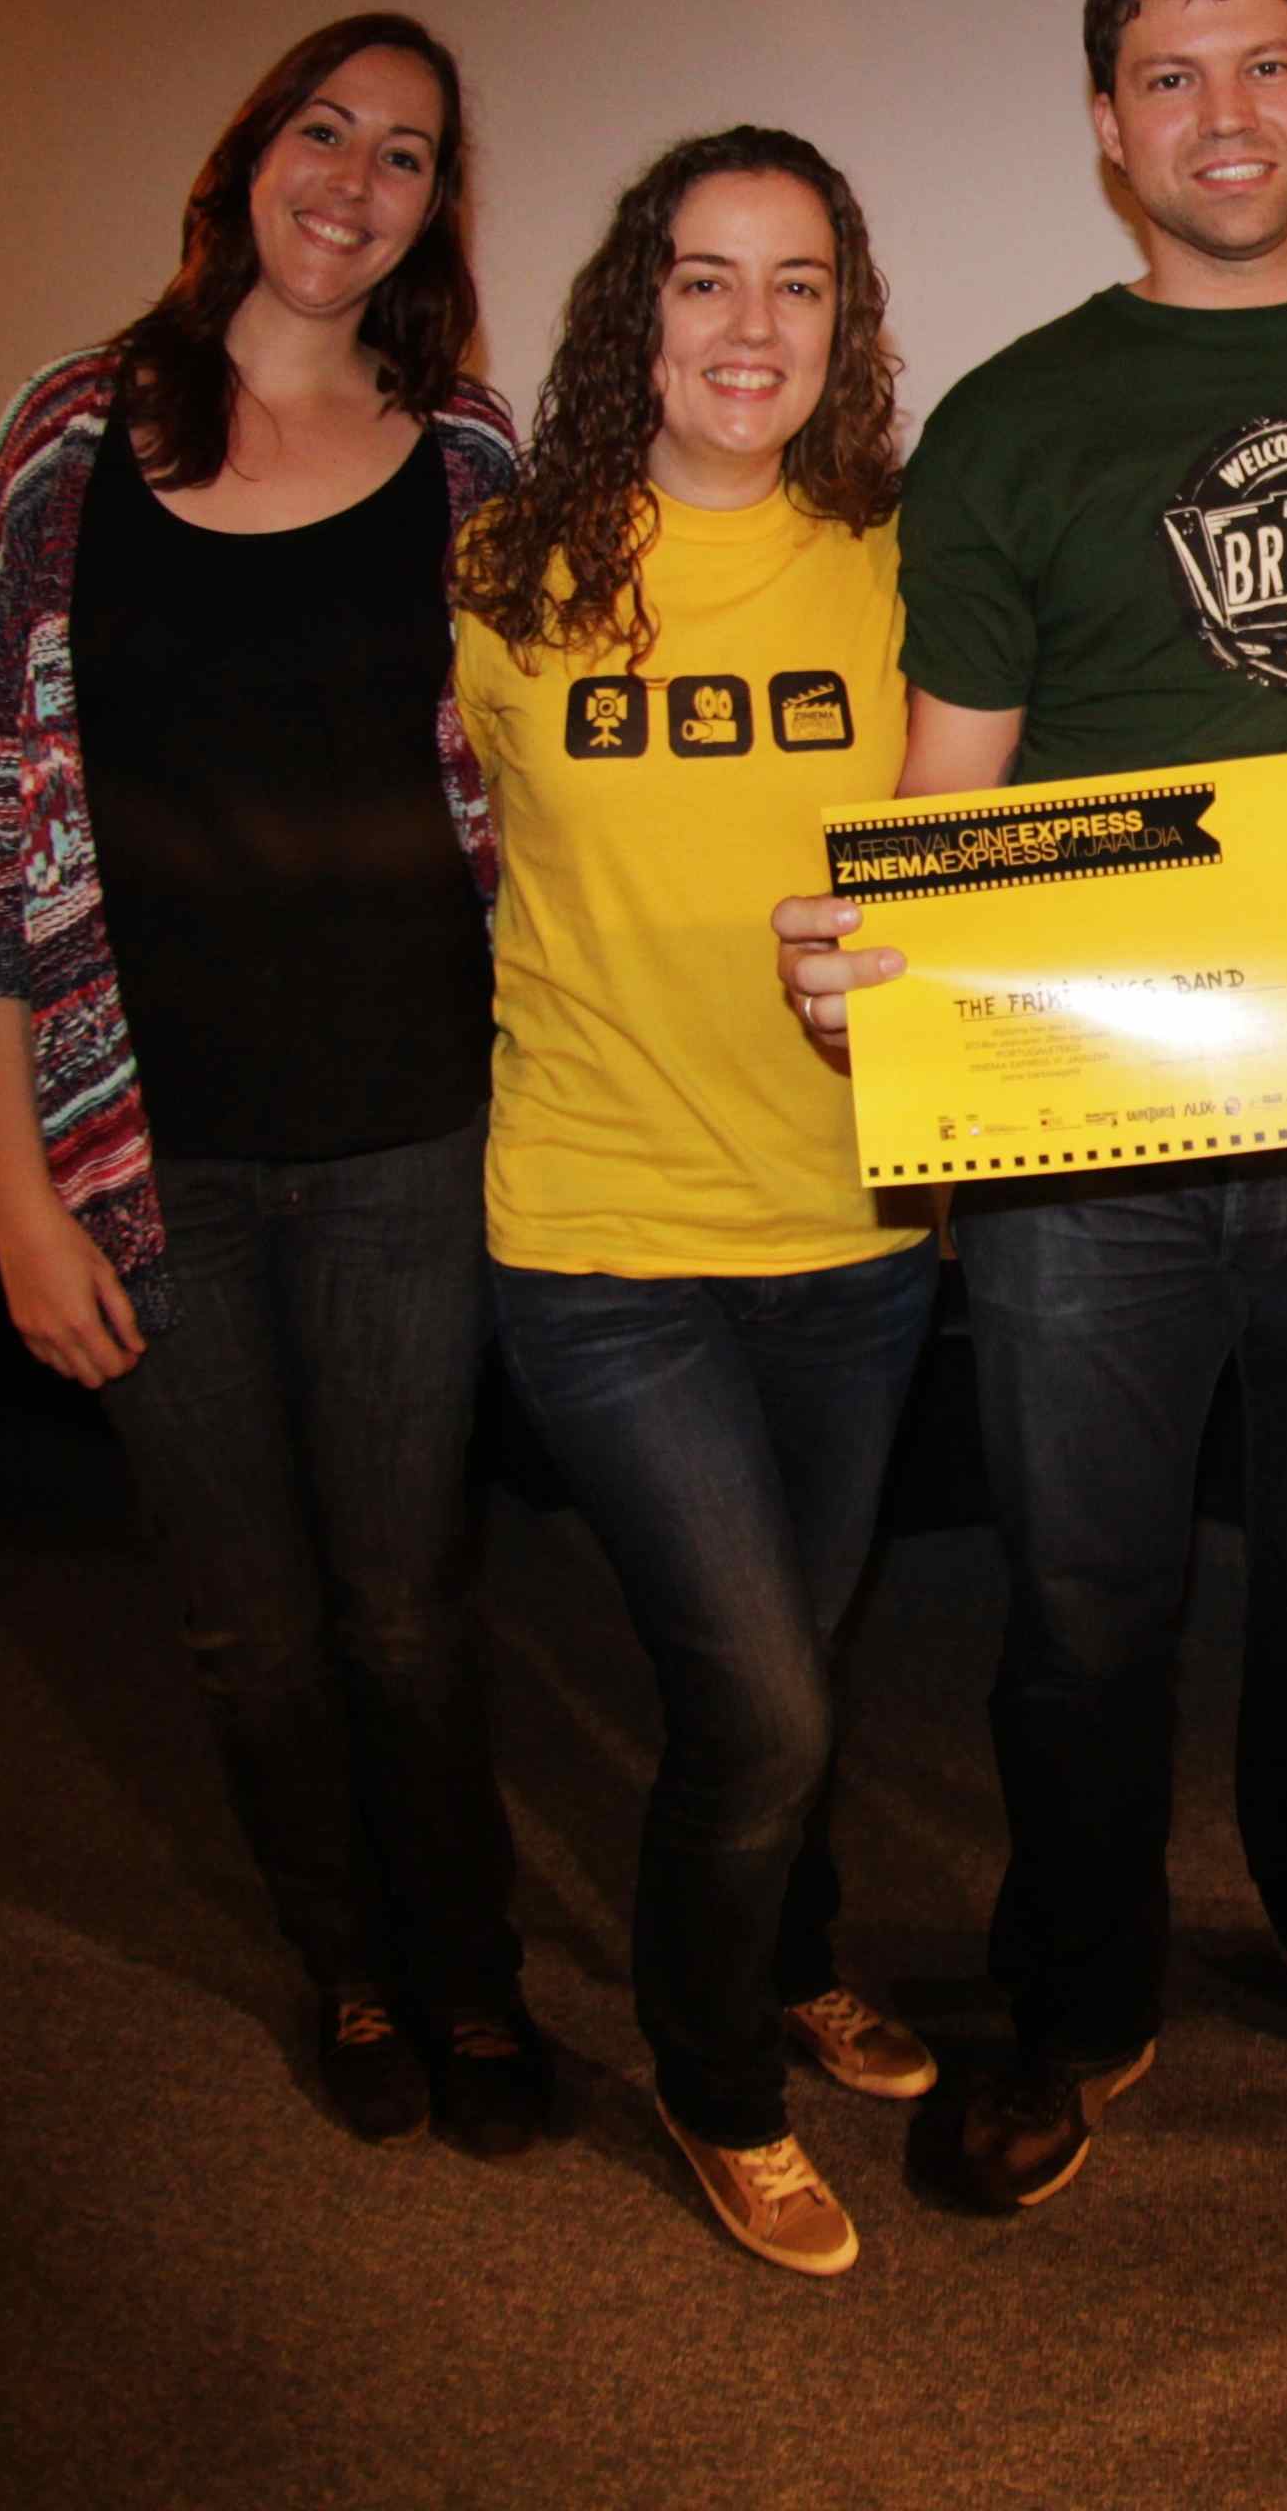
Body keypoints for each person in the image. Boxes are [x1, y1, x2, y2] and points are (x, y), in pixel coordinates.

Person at [773, 0, 1287, 2212]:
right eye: (1174, 76)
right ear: (1110, 130)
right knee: (1083, 1605)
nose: (1227, 113)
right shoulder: (1014, 422)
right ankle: (1079, 1992)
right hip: (1085, 1142)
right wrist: (880, 962)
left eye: (1268, 63)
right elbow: (948, 786)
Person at [0, 14, 543, 2152]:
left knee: (410, 1613)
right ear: (248, 155)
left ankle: (471, 1976)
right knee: (249, 1634)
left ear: (435, 210)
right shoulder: (68, 436)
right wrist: (18, 1193)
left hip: (411, 1136)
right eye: (324, 130)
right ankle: (348, 1967)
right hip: (140, 1150)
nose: (355, 181)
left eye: (407, 154)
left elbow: (563, 776)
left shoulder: (473, 456)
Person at [452, 128, 937, 2279]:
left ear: (846, 322)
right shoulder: (503, 573)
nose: (753, 326)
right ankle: (715, 2071)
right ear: (632, 311)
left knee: (796, 1660)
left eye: (798, 283)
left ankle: (794, 1951)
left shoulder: (902, 565)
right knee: (760, 1702)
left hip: (853, 1237)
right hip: (602, 1234)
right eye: (707, 278)